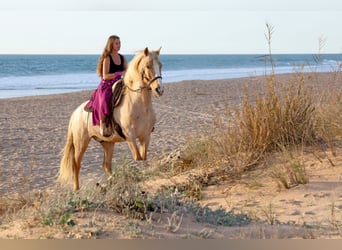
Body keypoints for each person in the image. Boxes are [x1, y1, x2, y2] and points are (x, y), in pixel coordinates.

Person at [85, 35, 127, 136]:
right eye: (116, 43)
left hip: (120, 82)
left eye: (119, 43)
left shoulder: (122, 57)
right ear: (111, 45)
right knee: (104, 98)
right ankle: (103, 122)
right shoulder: (107, 58)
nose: (119, 45)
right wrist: (118, 73)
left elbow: (127, 70)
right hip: (107, 84)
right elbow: (105, 76)